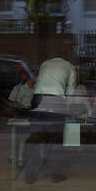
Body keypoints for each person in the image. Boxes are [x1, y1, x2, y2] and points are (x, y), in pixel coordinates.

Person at [24, 56, 82, 184]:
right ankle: (56, 175)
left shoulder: (45, 63)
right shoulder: (70, 67)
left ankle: (30, 175)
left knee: (35, 138)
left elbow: (39, 82)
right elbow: (71, 92)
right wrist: (67, 110)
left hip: (38, 98)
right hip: (56, 99)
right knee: (55, 139)